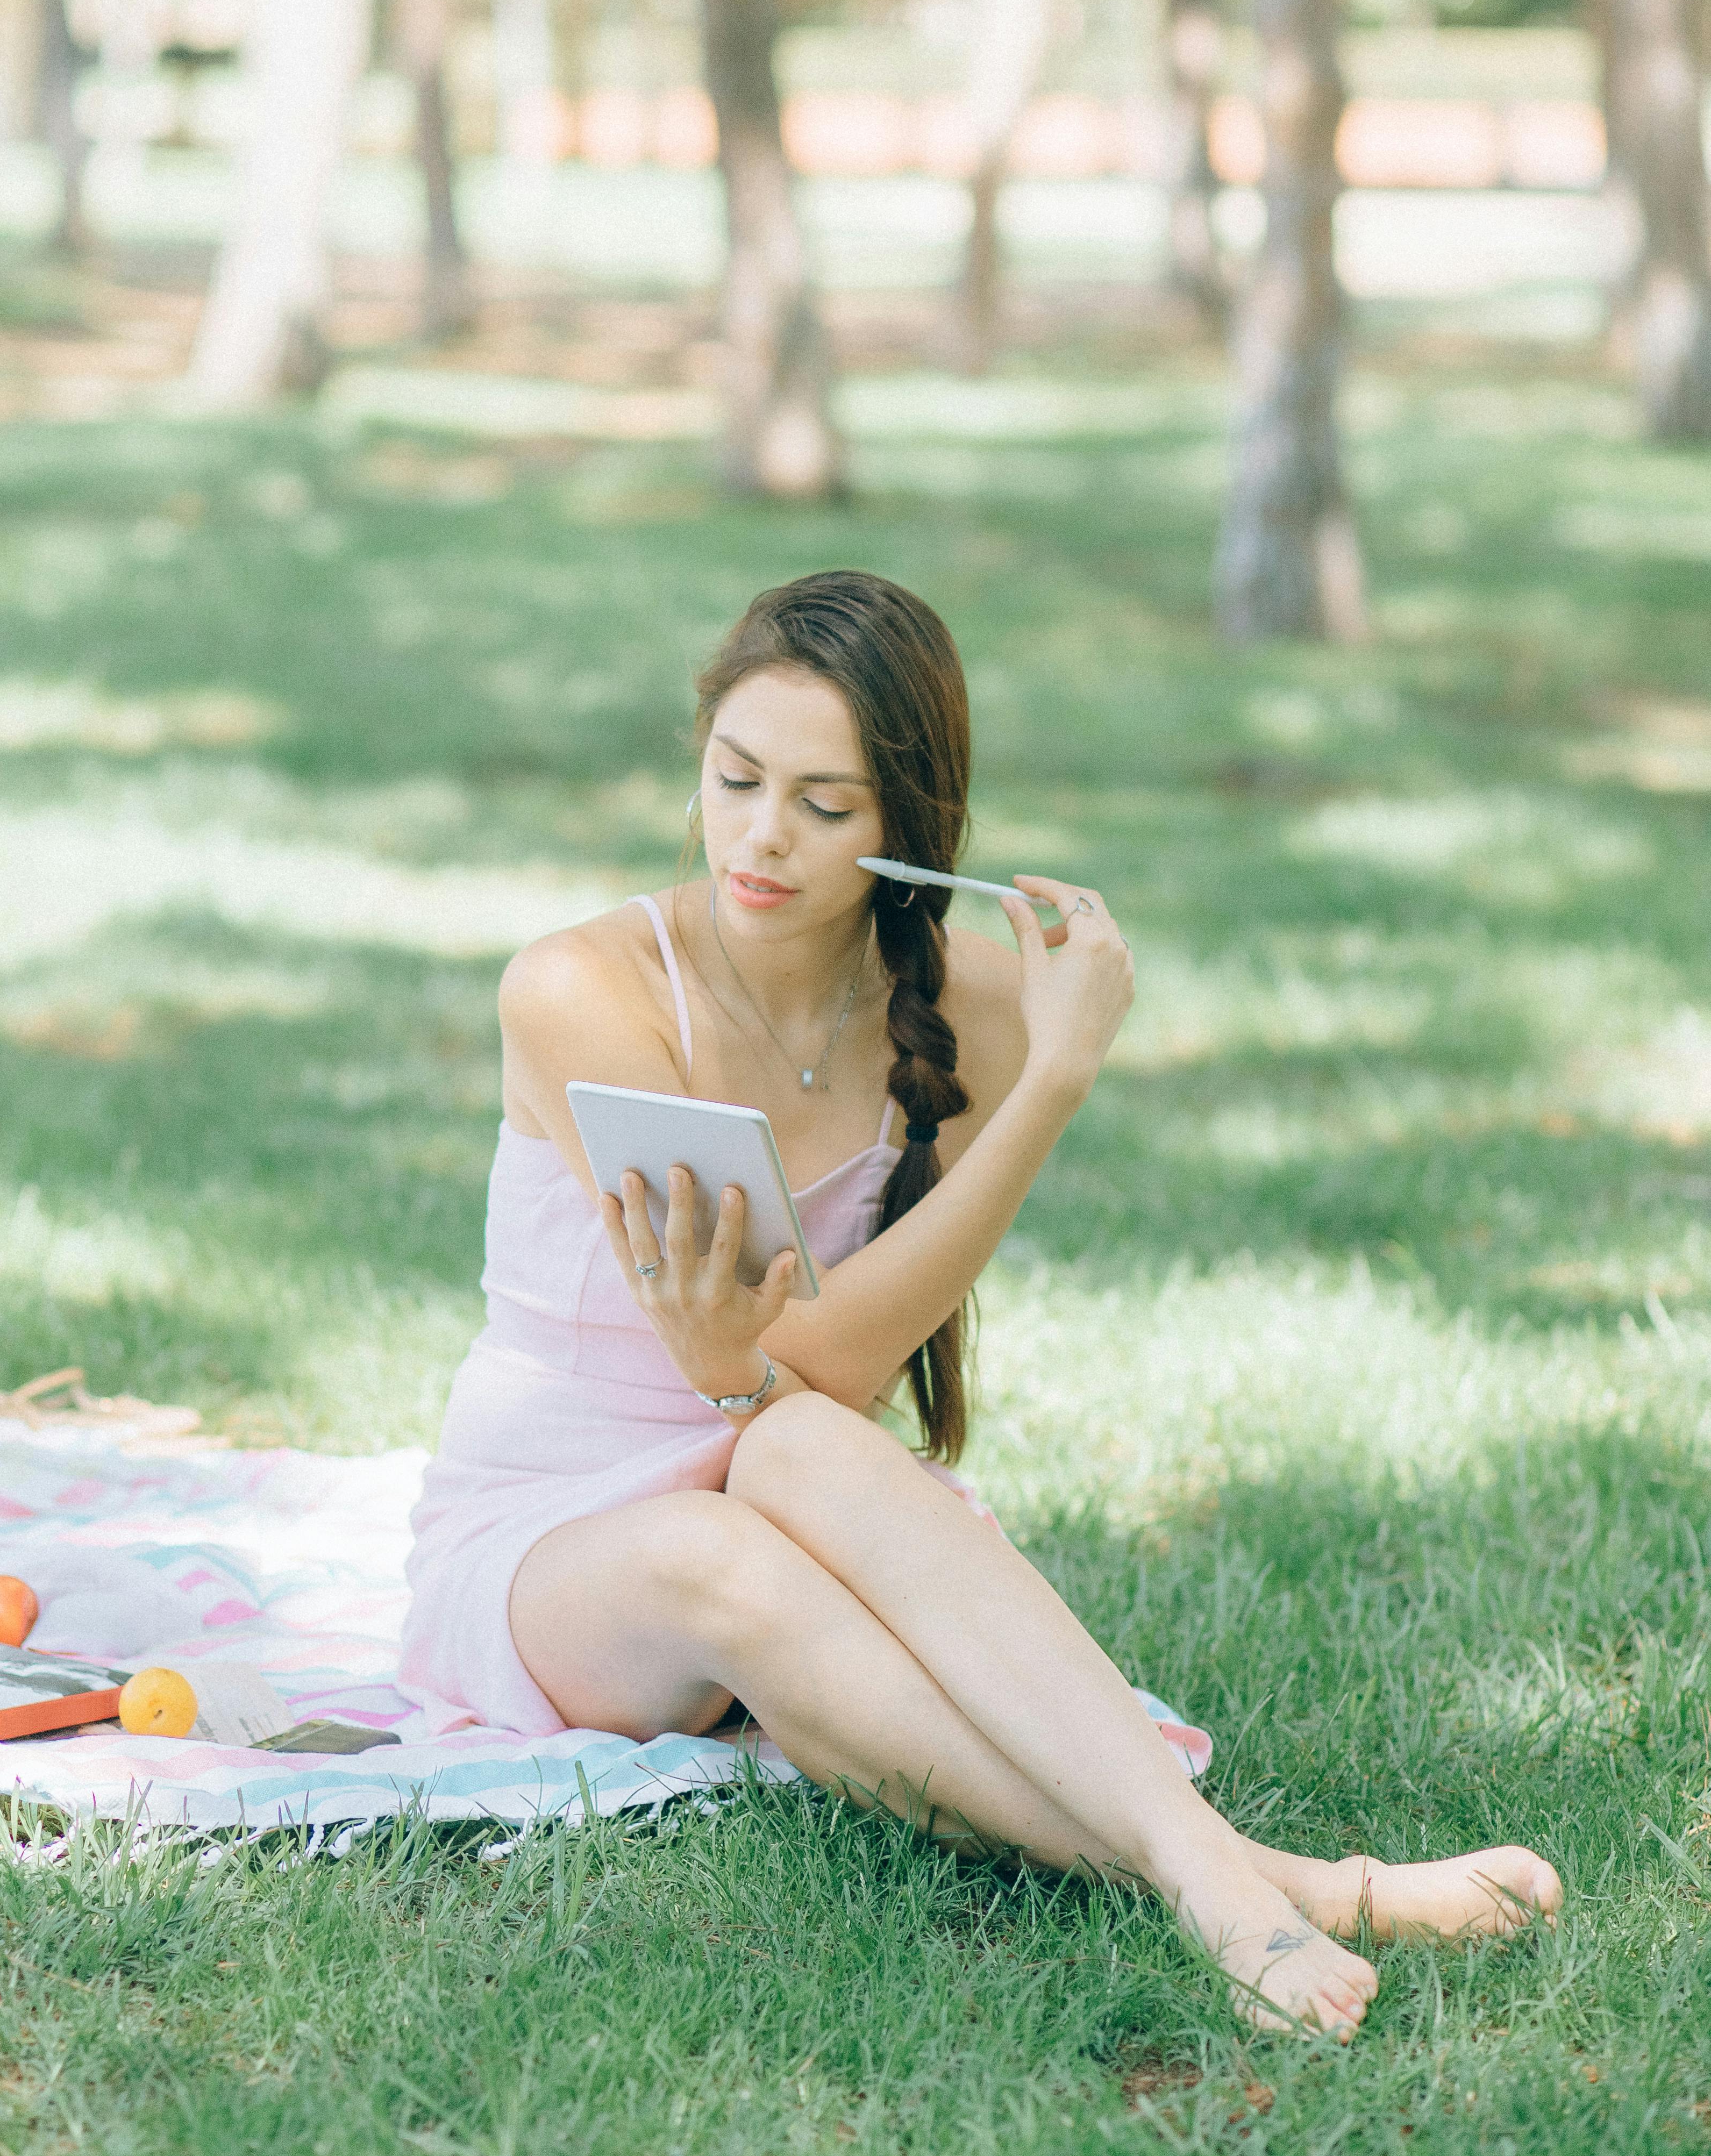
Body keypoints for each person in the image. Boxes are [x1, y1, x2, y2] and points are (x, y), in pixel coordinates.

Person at [401, 570, 1559, 2034]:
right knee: (726, 1530)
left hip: (785, 1467)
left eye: (824, 807)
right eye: (736, 779)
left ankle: (1214, 1879)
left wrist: (1052, 1071)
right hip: (553, 1537)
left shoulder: (980, 1009)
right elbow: (809, 1356)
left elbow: (811, 1385)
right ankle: (1265, 1882)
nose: (762, 837)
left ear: (906, 827)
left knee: (794, 1449)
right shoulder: (580, 987)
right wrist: (760, 1364)